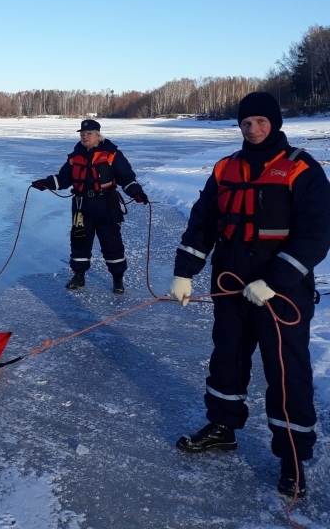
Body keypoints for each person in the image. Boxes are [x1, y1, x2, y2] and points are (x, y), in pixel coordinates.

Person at [167, 92, 330, 497]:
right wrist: (185, 271)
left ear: (274, 123)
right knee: (228, 357)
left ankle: (292, 461)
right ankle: (223, 426)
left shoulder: (300, 167)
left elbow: (317, 234)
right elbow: (203, 223)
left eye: (260, 121)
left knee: (286, 372)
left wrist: (275, 280)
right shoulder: (225, 168)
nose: (253, 129)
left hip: (281, 291)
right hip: (230, 281)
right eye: (246, 123)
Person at [31, 119, 148, 293]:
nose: (85, 137)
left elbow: (127, 178)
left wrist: (136, 192)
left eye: (89, 134)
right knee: (79, 242)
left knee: (112, 244)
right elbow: (64, 179)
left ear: (98, 136)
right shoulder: (74, 156)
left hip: (107, 205)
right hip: (81, 206)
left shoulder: (112, 154)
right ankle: (79, 276)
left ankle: (117, 279)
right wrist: (46, 183)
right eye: (82, 134)